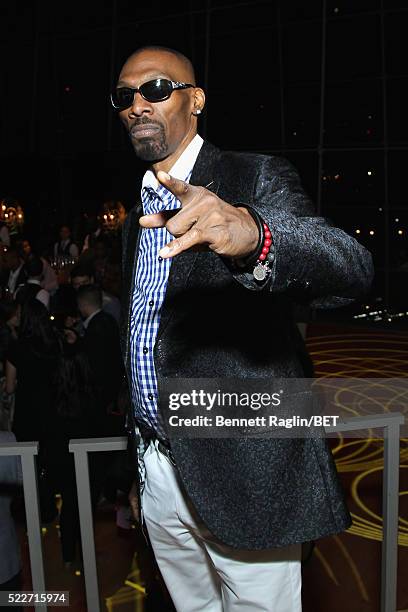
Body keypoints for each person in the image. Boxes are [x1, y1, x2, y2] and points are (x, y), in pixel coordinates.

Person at [114, 46, 374, 611]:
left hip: (248, 470)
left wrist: (257, 236)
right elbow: (146, 342)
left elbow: (349, 267)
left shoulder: (251, 176)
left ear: (196, 99)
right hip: (159, 468)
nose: (138, 105)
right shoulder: (139, 207)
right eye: (125, 96)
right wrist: (141, 469)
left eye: (156, 89)